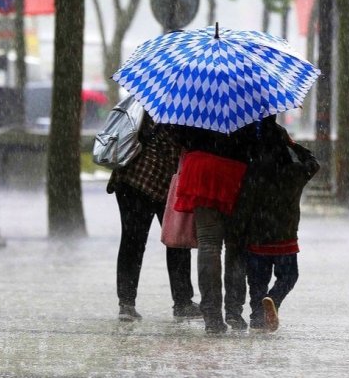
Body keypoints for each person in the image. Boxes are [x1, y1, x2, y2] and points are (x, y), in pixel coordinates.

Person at [168, 122, 260, 333]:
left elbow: (179, 134)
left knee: (208, 244)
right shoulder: (250, 96)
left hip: (201, 167)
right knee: (236, 247)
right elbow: (258, 139)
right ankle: (234, 311)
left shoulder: (193, 94)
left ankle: (212, 316)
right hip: (236, 170)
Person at [107, 116, 201, 322]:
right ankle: (182, 302)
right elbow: (185, 146)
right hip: (153, 180)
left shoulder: (149, 100)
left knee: (133, 242)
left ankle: (127, 303)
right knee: (176, 241)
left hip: (130, 177)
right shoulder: (182, 113)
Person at [232, 117, 319, 332]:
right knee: (289, 276)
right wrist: (292, 144)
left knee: (257, 282)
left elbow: (244, 204)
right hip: (285, 236)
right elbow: (313, 163)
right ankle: (274, 299)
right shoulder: (296, 173)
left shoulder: (253, 172)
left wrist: (239, 230)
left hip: (257, 235)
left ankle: (257, 318)